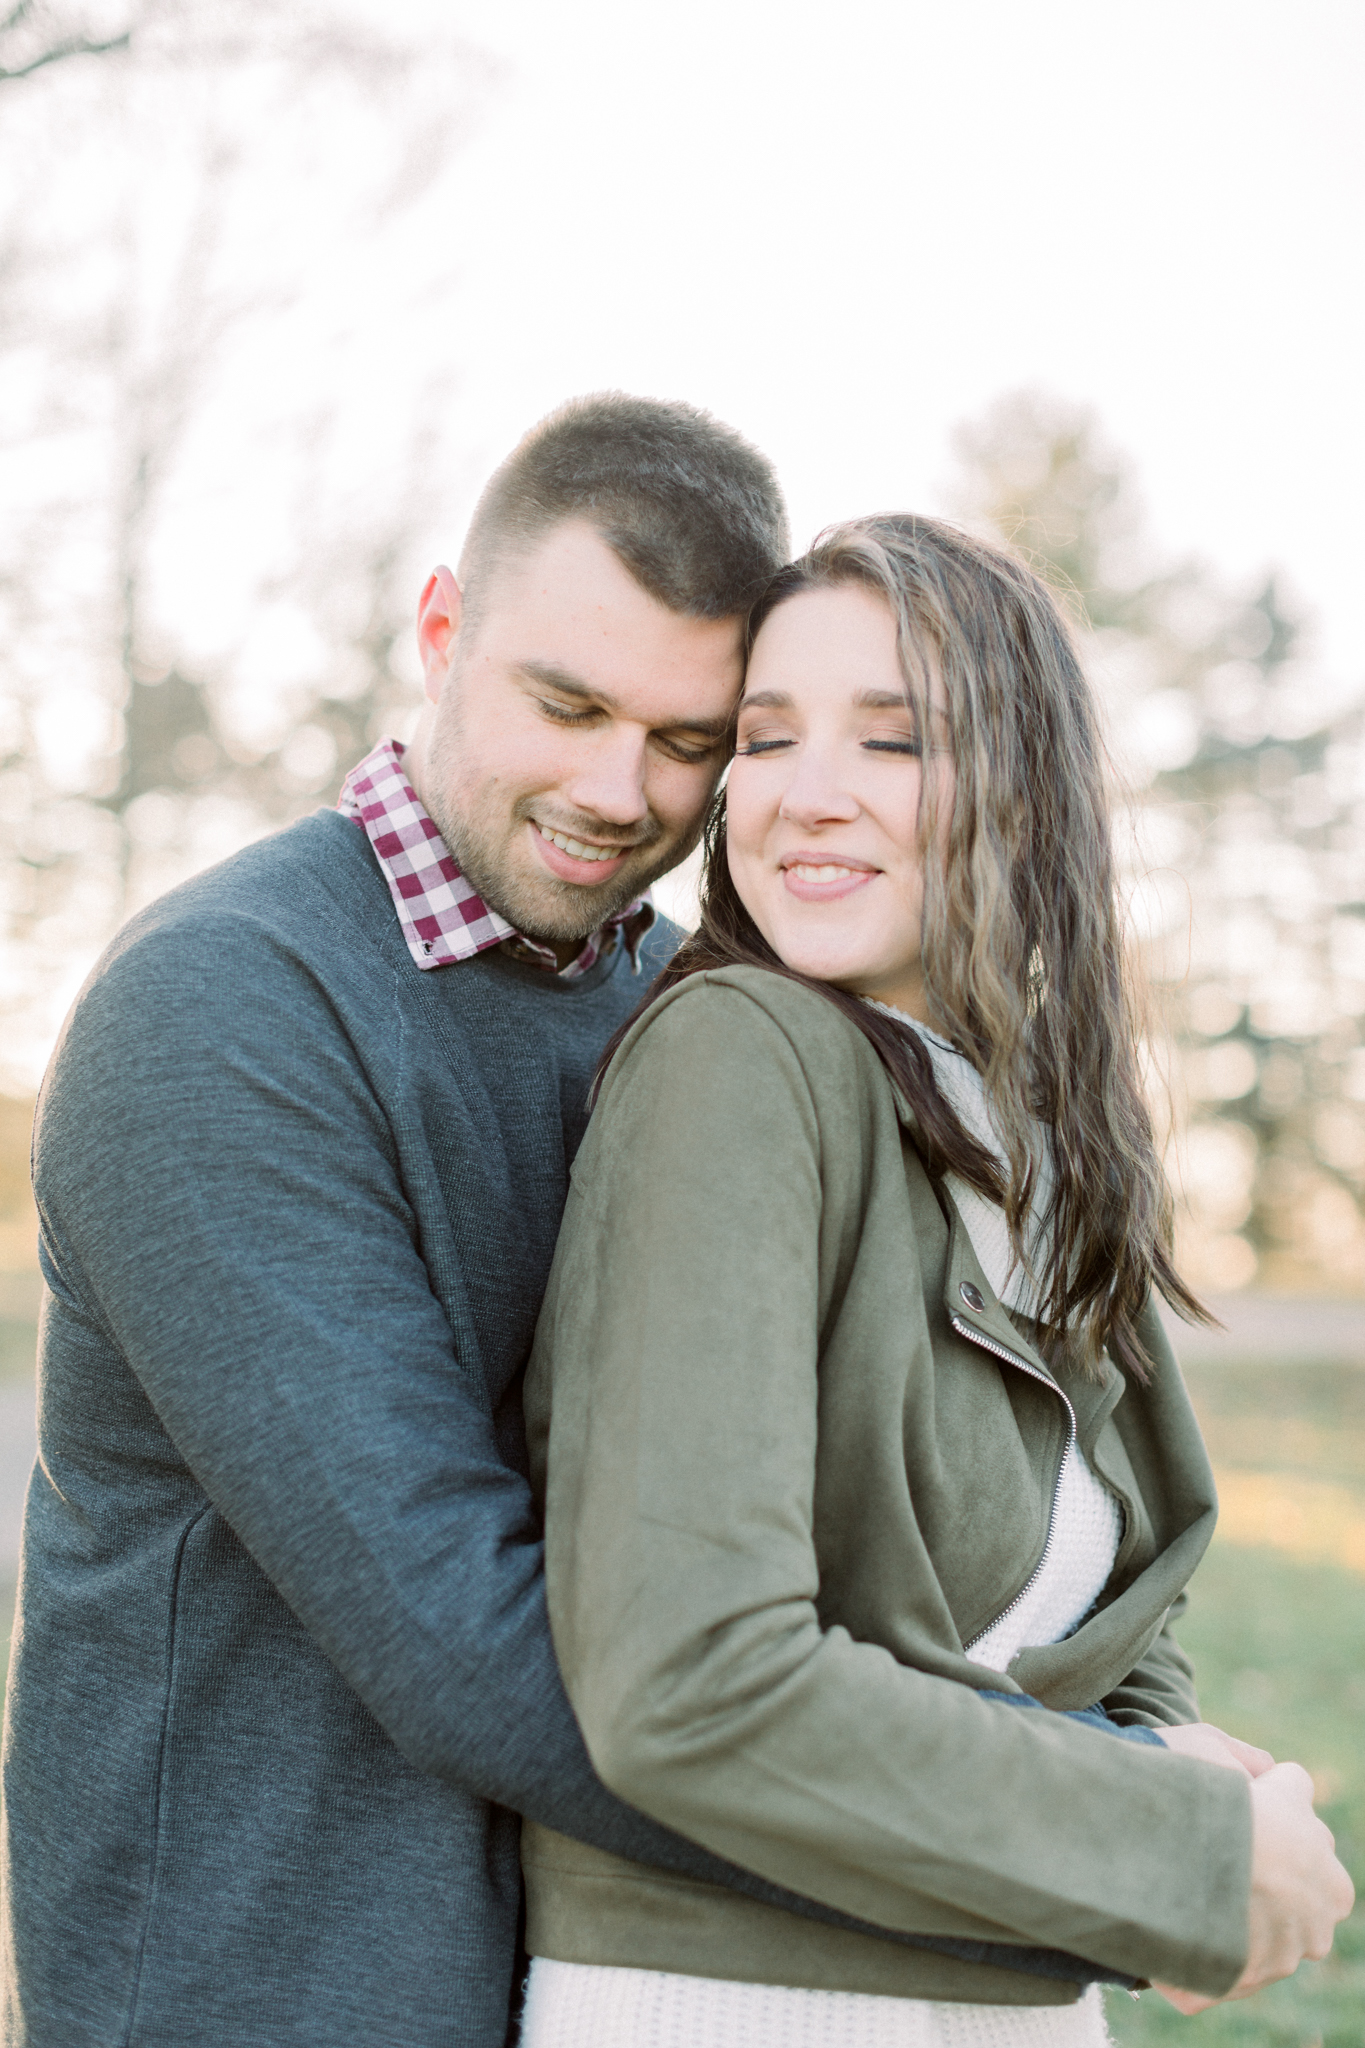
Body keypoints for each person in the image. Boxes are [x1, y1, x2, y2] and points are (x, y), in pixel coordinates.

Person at [0, 392, 875, 2048]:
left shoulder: (686, 1009)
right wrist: (1040, 1836)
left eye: (687, 741)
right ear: (440, 626)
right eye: (566, 703)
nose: (619, 792)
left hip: (587, 1982)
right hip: (256, 1986)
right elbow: (452, 1625)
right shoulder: (224, 1006)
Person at [520, 514, 1355, 2045]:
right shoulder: (739, 1061)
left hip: (997, 1992)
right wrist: (1168, 1853)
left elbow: (1105, 1613)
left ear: (1026, 797)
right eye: (765, 740)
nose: (805, 796)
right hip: (736, 2002)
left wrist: (1171, 1778)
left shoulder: (1023, 1129)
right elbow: (687, 1680)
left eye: (893, 741)